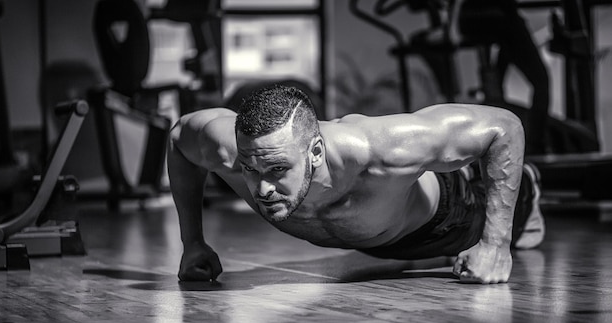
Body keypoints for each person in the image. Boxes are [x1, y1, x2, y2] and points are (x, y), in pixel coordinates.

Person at [167, 85, 545, 284]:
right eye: (250, 169)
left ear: (316, 151)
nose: (262, 188)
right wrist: (192, 243)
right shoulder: (227, 148)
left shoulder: (378, 148)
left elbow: (504, 127)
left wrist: (495, 245)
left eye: (278, 170)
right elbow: (178, 136)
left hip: (447, 220)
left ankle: (529, 187)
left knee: (505, 201)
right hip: (372, 240)